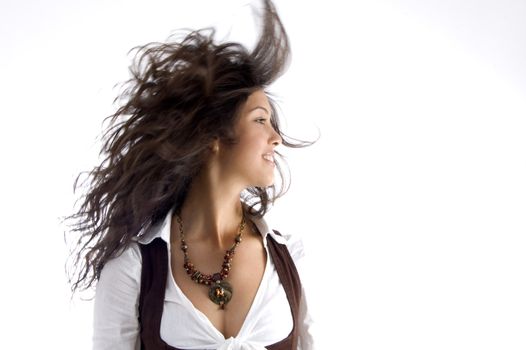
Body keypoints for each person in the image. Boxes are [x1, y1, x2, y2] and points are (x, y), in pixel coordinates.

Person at [67, 0, 315, 349]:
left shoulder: (291, 259)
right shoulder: (133, 271)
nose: (276, 137)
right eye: (260, 120)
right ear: (213, 136)